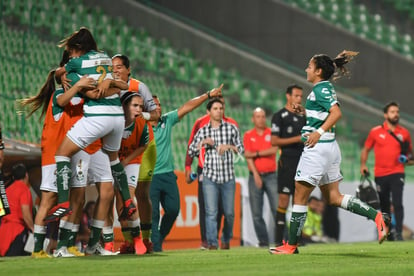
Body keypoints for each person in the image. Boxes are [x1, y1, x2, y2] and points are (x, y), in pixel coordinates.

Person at [270, 50, 390, 255]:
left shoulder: (322, 89)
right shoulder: (322, 88)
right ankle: (377, 217)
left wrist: (317, 132)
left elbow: (336, 113)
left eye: (309, 66)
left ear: (317, 71)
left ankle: (291, 245)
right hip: (329, 148)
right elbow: (325, 113)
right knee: (334, 197)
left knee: (299, 195)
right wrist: (306, 113)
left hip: (318, 149)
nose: (306, 69)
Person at [47, 27, 136, 223]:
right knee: (113, 159)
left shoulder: (77, 63)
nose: (70, 54)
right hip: (117, 117)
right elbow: (122, 84)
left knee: (62, 153)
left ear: (78, 48)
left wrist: (62, 74)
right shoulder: (105, 57)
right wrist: (111, 85)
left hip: (98, 116)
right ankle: (128, 201)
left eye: (71, 50)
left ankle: (63, 203)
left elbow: (60, 71)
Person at [150, 85, 223, 252]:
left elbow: (187, 107)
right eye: (155, 104)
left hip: (168, 175)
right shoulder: (141, 126)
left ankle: (159, 238)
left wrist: (208, 95)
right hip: (150, 176)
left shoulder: (167, 121)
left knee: (173, 209)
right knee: (153, 213)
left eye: (160, 104)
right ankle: (154, 245)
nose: (159, 107)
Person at [109, 54, 158, 253]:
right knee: (119, 195)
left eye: (119, 67)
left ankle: (146, 239)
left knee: (141, 193)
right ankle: (129, 240)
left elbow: (156, 114)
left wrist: (139, 115)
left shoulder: (139, 87)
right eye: (113, 67)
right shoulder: (108, 86)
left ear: (128, 69)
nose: (116, 70)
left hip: (141, 142)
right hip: (118, 143)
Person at [188, 98, 244, 250]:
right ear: (208, 112)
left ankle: (226, 237)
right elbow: (191, 150)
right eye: (215, 108)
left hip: (227, 176)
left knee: (230, 213)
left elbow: (241, 149)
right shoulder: (203, 131)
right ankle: (212, 243)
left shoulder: (231, 128)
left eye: (221, 108)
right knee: (211, 212)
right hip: (209, 177)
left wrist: (230, 147)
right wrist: (202, 143)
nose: (219, 111)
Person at [360, 101, 413, 241]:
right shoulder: (375, 131)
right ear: (385, 114)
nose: (396, 114)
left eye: (397, 112)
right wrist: (363, 165)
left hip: (397, 172)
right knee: (384, 205)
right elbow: (366, 149)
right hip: (380, 174)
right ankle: (387, 233)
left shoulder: (404, 133)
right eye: (392, 112)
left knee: (397, 202)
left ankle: (399, 233)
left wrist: (408, 160)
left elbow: (410, 155)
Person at [270, 84, 305, 246]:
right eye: (296, 96)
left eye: (300, 96)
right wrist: (297, 139)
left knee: (298, 202)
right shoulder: (279, 116)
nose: (299, 99)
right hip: (287, 162)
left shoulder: (304, 116)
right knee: (283, 200)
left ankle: (294, 240)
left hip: (303, 162)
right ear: (288, 96)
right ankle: (278, 240)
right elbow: (274, 141)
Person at [243, 107, 278, 247]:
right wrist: (256, 175)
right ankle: (263, 241)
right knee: (256, 212)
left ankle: (285, 238)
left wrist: (256, 153)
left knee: (277, 209)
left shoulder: (272, 133)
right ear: (253, 119)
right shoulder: (248, 135)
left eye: (263, 116)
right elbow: (247, 156)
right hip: (254, 175)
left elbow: (274, 149)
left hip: (271, 175)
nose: (261, 119)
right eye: (258, 116)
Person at [0, 163, 34, 256]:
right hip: (17, 231)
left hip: (3, 231)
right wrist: (33, 229)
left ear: (13, 177)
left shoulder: (6, 190)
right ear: (26, 175)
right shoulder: (24, 189)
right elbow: (25, 213)